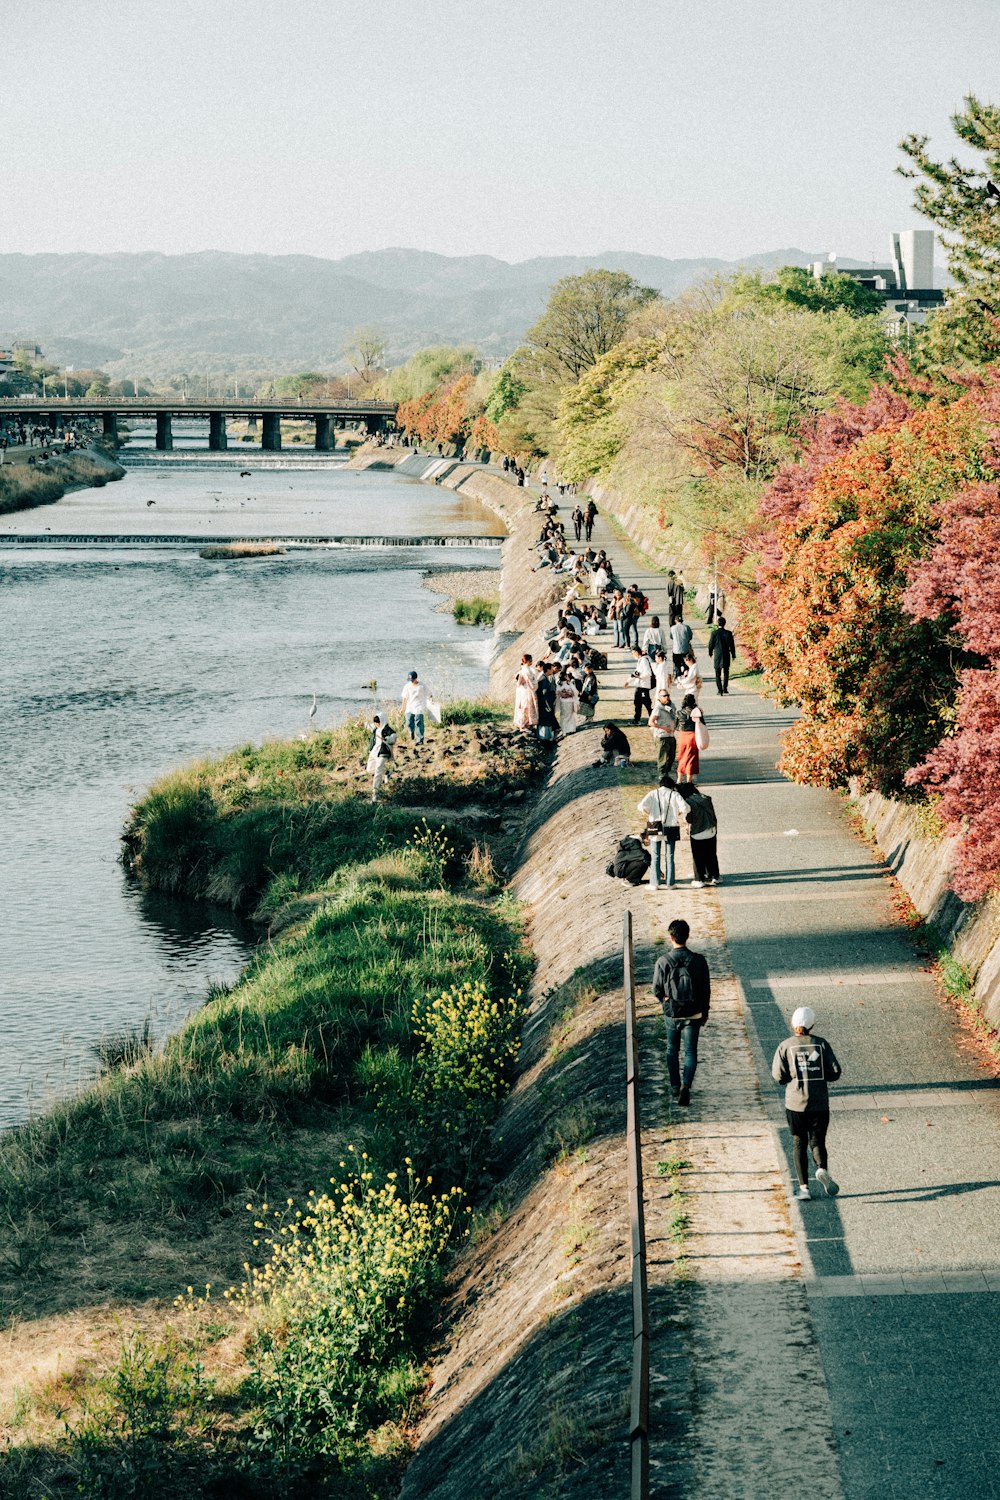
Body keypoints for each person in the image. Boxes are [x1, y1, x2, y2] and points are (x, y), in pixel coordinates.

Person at [771, 1008, 842, 1200]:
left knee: (798, 1143)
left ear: (792, 1024)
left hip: (795, 1104)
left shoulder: (785, 1046)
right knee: (818, 1141)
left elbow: (778, 1076)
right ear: (812, 1025)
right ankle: (821, 1168)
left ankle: (804, 1188)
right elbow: (835, 1072)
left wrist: (791, 1077)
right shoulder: (821, 1044)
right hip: (819, 1103)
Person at [652, 919, 711, 1105]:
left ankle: (675, 1086)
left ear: (670, 937)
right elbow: (706, 989)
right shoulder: (699, 961)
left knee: (671, 1049)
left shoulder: (663, 961)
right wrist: (705, 1011)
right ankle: (687, 1084)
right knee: (691, 1052)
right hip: (694, 1013)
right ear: (688, 935)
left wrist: (666, 1002)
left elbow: (656, 989)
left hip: (673, 1013)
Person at [637, 774, 686, 890]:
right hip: (671, 827)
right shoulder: (675, 794)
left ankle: (655, 883)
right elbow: (685, 808)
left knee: (655, 856)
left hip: (655, 827)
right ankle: (670, 883)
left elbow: (640, 806)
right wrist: (677, 814)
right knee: (670, 856)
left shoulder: (653, 793)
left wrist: (649, 814)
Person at [675, 782, 720, 886]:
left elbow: (690, 819)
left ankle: (699, 879)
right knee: (711, 854)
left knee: (698, 856)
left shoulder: (689, 802)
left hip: (697, 832)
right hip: (711, 830)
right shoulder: (706, 798)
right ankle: (715, 876)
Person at [647, 688, 678, 778]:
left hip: (671, 735)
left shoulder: (672, 706)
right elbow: (650, 722)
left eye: (667, 695)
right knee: (663, 757)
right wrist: (663, 728)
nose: (667, 697)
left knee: (671, 757)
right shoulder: (658, 708)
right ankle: (662, 774)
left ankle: (666, 773)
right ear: (659, 697)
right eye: (664, 696)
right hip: (662, 736)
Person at [366, 715, 396, 802]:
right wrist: (362, 724)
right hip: (374, 752)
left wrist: (386, 738)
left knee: (378, 772)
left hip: (383, 752)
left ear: (382, 721)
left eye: (378, 722)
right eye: (375, 722)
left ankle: (375, 795)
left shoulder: (387, 729)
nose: (376, 724)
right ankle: (386, 773)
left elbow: (394, 737)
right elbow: (369, 726)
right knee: (369, 769)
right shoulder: (375, 728)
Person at [676, 694, 706, 782]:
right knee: (691, 757)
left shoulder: (679, 712)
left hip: (682, 736)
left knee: (681, 756)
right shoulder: (697, 712)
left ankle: (679, 778)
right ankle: (689, 780)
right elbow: (703, 723)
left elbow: (677, 727)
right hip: (693, 735)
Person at [707, 615, 737, 696]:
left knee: (717, 673)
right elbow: (732, 645)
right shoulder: (728, 633)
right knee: (726, 672)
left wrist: (710, 652)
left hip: (718, 655)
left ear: (718, 623)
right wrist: (733, 655)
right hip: (726, 654)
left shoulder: (714, 633)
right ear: (725, 623)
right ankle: (725, 688)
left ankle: (719, 690)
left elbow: (711, 644)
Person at [401, 670, 431, 743]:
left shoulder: (422, 686)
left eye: (413, 680)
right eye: (410, 680)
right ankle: (411, 732)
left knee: (418, 722)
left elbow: (429, 694)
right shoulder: (407, 686)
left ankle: (420, 740)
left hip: (419, 706)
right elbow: (404, 698)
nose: (412, 681)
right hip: (409, 707)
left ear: (416, 678)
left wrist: (431, 702)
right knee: (408, 723)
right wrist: (403, 708)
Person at [514, 653, 539, 733]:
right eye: (530, 661)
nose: (531, 662)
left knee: (526, 707)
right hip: (526, 691)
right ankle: (523, 725)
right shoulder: (526, 671)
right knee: (525, 708)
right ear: (527, 661)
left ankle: (527, 724)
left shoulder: (524, 669)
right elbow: (530, 682)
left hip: (523, 691)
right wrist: (536, 683)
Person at [628, 648, 654, 724]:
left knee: (647, 704)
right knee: (637, 703)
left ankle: (653, 719)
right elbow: (637, 673)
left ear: (636, 652)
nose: (632, 655)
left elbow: (648, 673)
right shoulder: (640, 661)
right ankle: (636, 720)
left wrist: (639, 677)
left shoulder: (644, 660)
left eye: (633, 653)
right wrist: (628, 681)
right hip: (639, 685)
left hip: (644, 686)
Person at [536, 661, 560, 741]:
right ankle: (544, 738)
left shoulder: (545, 677)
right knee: (545, 720)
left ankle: (546, 737)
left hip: (545, 703)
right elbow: (544, 693)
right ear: (548, 670)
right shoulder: (543, 679)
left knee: (547, 720)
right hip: (544, 704)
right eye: (551, 669)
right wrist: (547, 705)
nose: (553, 670)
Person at [556, 667, 580, 735]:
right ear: (565, 676)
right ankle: (570, 729)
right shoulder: (569, 684)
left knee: (563, 715)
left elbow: (557, 693)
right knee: (570, 715)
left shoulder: (559, 684)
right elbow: (576, 692)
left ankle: (564, 729)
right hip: (569, 701)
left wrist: (563, 693)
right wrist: (570, 693)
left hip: (563, 701)